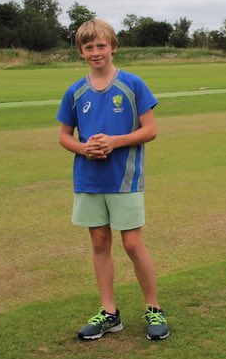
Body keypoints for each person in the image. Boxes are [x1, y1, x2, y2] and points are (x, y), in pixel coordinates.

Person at [57, 18, 169, 341]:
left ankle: (154, 309)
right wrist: (84, 148)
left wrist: (115, 142)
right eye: (89, 47)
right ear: (81, 52)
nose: (96, 52)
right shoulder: (75, 92)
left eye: (101, 46)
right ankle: (109, 313)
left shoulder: (132, 84)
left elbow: (151, 130)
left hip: (125, 179)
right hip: (89, 180)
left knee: (133, 244)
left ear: (113, 47)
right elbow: (64, 136)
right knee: (99, 242)